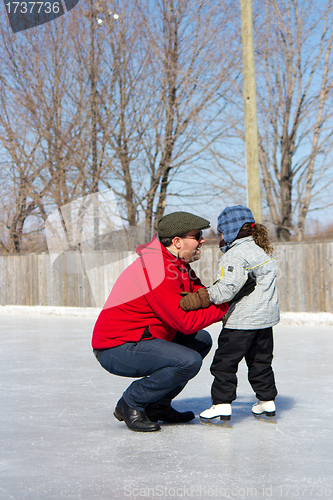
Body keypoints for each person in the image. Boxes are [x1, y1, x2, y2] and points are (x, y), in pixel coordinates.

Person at [92, 212, 230, 432]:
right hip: (117, 346)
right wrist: (224, 309)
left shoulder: (178, 264)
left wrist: (221, 294)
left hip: (145, 337)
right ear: (177, 242)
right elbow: (185, 323)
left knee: (201, 341)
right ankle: (131, 402)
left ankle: (158, 405)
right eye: (197, 236)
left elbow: (199, 293)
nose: (202, 240)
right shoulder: (156, 269)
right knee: (188, 361)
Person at [179, 205, 279, 422]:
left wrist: (200, 298)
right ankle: (266, 401)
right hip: (264, 322)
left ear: (232, 230)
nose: (221, 238)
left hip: (241, 322)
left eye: (222, 233)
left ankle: (221, 405)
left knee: (224, 364)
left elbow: (227, 289)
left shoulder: (236, 254)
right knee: (260, 362)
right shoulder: (259, 250)